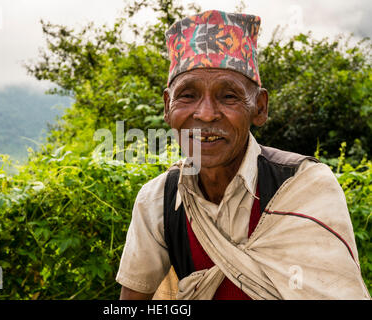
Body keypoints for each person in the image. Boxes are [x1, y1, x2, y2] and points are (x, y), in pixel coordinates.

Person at [116, 10, 371, 300]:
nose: (207, 114)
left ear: (259, 108)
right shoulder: (157, 200)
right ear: (167, 106)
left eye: (229, 96)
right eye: (188, 95)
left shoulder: (306, 186)